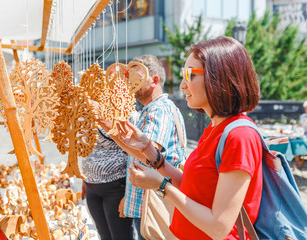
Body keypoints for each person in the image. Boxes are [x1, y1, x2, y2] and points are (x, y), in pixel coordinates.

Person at [115, 36, 263, 239]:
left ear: (218, 76)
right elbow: (194, 188)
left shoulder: (240, 135)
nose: (183, 85)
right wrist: (150, 151)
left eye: (189, 75)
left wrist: (161, 185)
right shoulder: (215, 128)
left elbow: (219, 228)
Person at [98, 55, 187, 239]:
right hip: (145, 203)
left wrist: (107, 124)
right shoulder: (152, 109)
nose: (132, 83)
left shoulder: (159, 108)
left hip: (153, 203)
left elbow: (148, 155)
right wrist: (128, 198)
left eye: (138, 78)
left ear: (155, 80)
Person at [81, 112, 139, 240]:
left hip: (116, 187)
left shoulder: (126, 111)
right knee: (104, 236)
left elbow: (136, 155)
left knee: (120, 237)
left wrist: (129, 193)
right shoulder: (89, 109)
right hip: (91, 186)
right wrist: (84, 177)